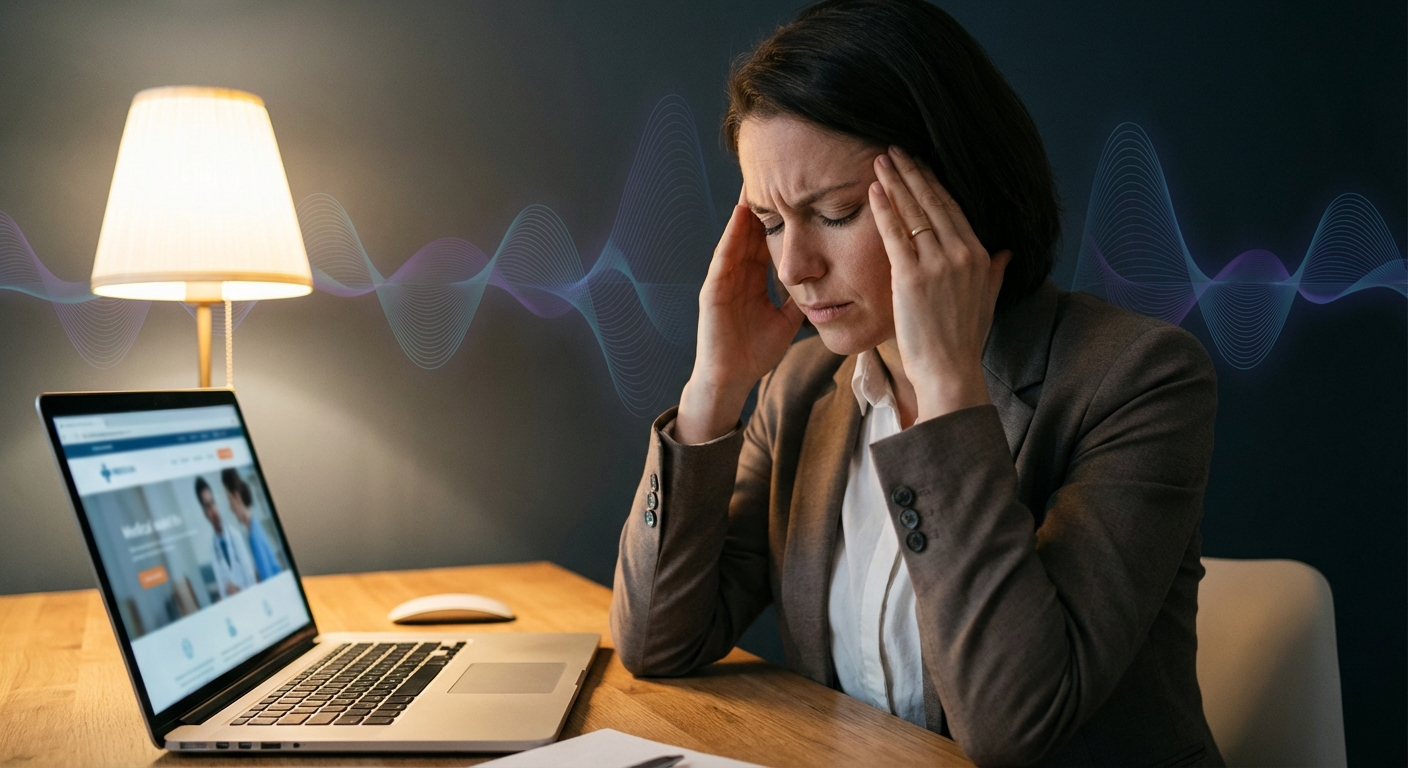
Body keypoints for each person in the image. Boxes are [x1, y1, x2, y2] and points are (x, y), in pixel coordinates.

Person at [608, 1, 1222, 766]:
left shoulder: (1138, 380)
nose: (793, 269)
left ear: (953, 194)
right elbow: (657, 640)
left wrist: (946, 391)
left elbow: (1011, 725)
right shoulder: (802, 387)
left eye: (833, 213)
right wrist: (714, 388)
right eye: (769, 223)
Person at [195, 476, 255, 599]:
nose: (213, 510)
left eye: (213, 503)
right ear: (205, 513)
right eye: (207, 506)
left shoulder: (235, 536)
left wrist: (240, 591)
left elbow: (251, 577)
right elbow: (223, 590)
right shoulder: (213, 550)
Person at [221, 468, 282, 582]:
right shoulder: (253, 528)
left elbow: (268, 581)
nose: (230, 507)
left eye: (229, 499)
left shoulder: (254, 536)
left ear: (237, 497)